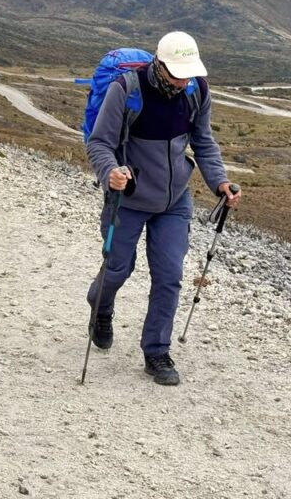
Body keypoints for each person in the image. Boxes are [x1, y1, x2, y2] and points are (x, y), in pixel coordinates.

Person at [85, 31, 242, 386]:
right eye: (177, 73)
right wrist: (110, 172)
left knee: (170, 275)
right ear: (159, 63)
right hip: (128, 198)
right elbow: (100, 142)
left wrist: (219, 180)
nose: (183, 80)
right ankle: (100, 307)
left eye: (188, 73)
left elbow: (203, 141)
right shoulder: (127, 90)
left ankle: (156, 351)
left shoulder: (196, 91)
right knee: (117, 270)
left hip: (174, 201)